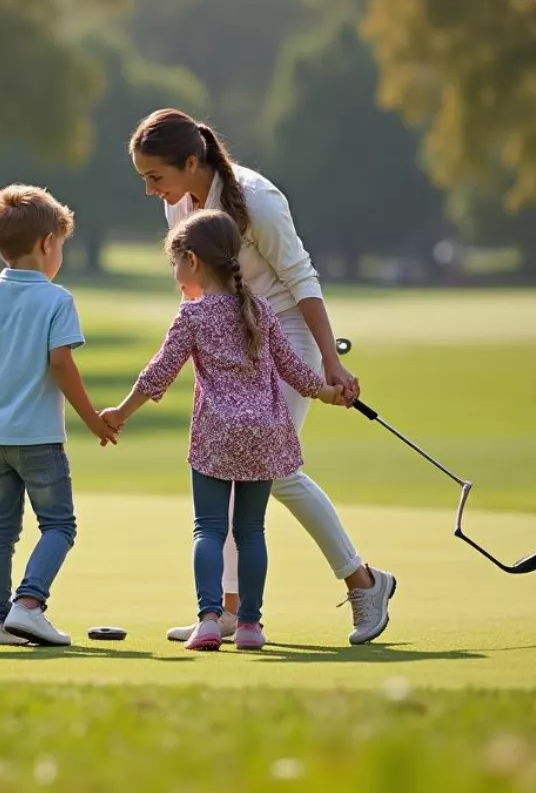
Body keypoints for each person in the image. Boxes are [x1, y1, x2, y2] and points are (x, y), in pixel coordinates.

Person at [129, 109, 397, 645]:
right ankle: (228, 612)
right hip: (233, 332)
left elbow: (301, 278)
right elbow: (198, 284)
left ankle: (364, 581)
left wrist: (330, 362)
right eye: (143, 180)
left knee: (271, 469)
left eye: (156, 177)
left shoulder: (257, 198)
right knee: (231, 465)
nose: (151, 190)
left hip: (286, 330)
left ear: (190, 161)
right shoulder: (180, 205)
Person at [103, 210, 348, 650]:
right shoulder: (262, 309)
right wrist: (328, 392)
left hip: (217, 434)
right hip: (267, 432)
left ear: (193, 261)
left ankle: (211, 620)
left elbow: (158, 374)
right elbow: (294, 369)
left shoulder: (193, 316)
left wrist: (121, 413)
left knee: (209, 530)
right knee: (252, 531)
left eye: (176, 263)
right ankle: (251, 626)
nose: (175, 274)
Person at [0, 185, 117, 648]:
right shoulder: (57, 300)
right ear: (47, 243)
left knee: (0, 527)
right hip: (37, 437)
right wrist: (93, 418)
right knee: (59, 525)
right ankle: (29, 605)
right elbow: (61, 364)